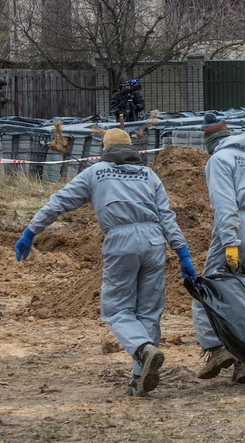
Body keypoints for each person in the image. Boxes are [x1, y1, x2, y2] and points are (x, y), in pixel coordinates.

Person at [14, 129, 197, 397]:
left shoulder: (95, 173)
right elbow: (167, 217)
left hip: (121, 240)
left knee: (117, 309)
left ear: (105, 149)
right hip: (155, 240)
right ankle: (139, 375)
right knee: (148, 310)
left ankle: (143, 349)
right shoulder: (149, 175)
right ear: (132, 148)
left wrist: (31, 231)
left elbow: (59, 203)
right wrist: (183, 254)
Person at [193, 112, 245, 384]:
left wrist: (230, 243)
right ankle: (244, 361)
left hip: (236, 228)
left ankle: (216, 348)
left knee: (208, 290)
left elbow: (226, 205)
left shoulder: (218, 161)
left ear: (210, 142)